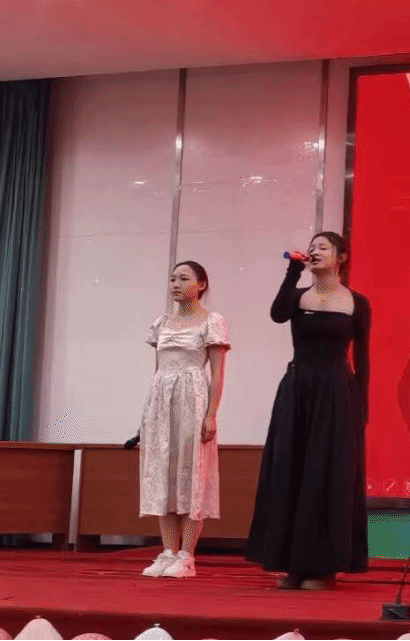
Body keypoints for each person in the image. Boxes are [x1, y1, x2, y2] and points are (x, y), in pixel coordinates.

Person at [245, 231, 371, 591]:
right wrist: (292, 272)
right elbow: (277, 315)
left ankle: (323, 567)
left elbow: (363, 357)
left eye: (323, 248)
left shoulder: (357, 302)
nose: (314, 252)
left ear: (341, 257)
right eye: (311, 247)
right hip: (297, 390)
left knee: (325, 475)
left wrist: (362, 407)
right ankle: (292, 565)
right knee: (291, 471)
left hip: (336, 393)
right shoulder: (299, 295)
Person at [138, 261, 229, 579]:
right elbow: (158, 369)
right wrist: (149, 415)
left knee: (193, 475)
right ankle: (166, 552)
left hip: (193, 400)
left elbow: (217, 373)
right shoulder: (161, 323)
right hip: (161, 402)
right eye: (172, 278)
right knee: (162, 475)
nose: (175, 284)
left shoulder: (212, 321)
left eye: (184, 278)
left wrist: (211, 414)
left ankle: (187, 555)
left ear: (201, 284)